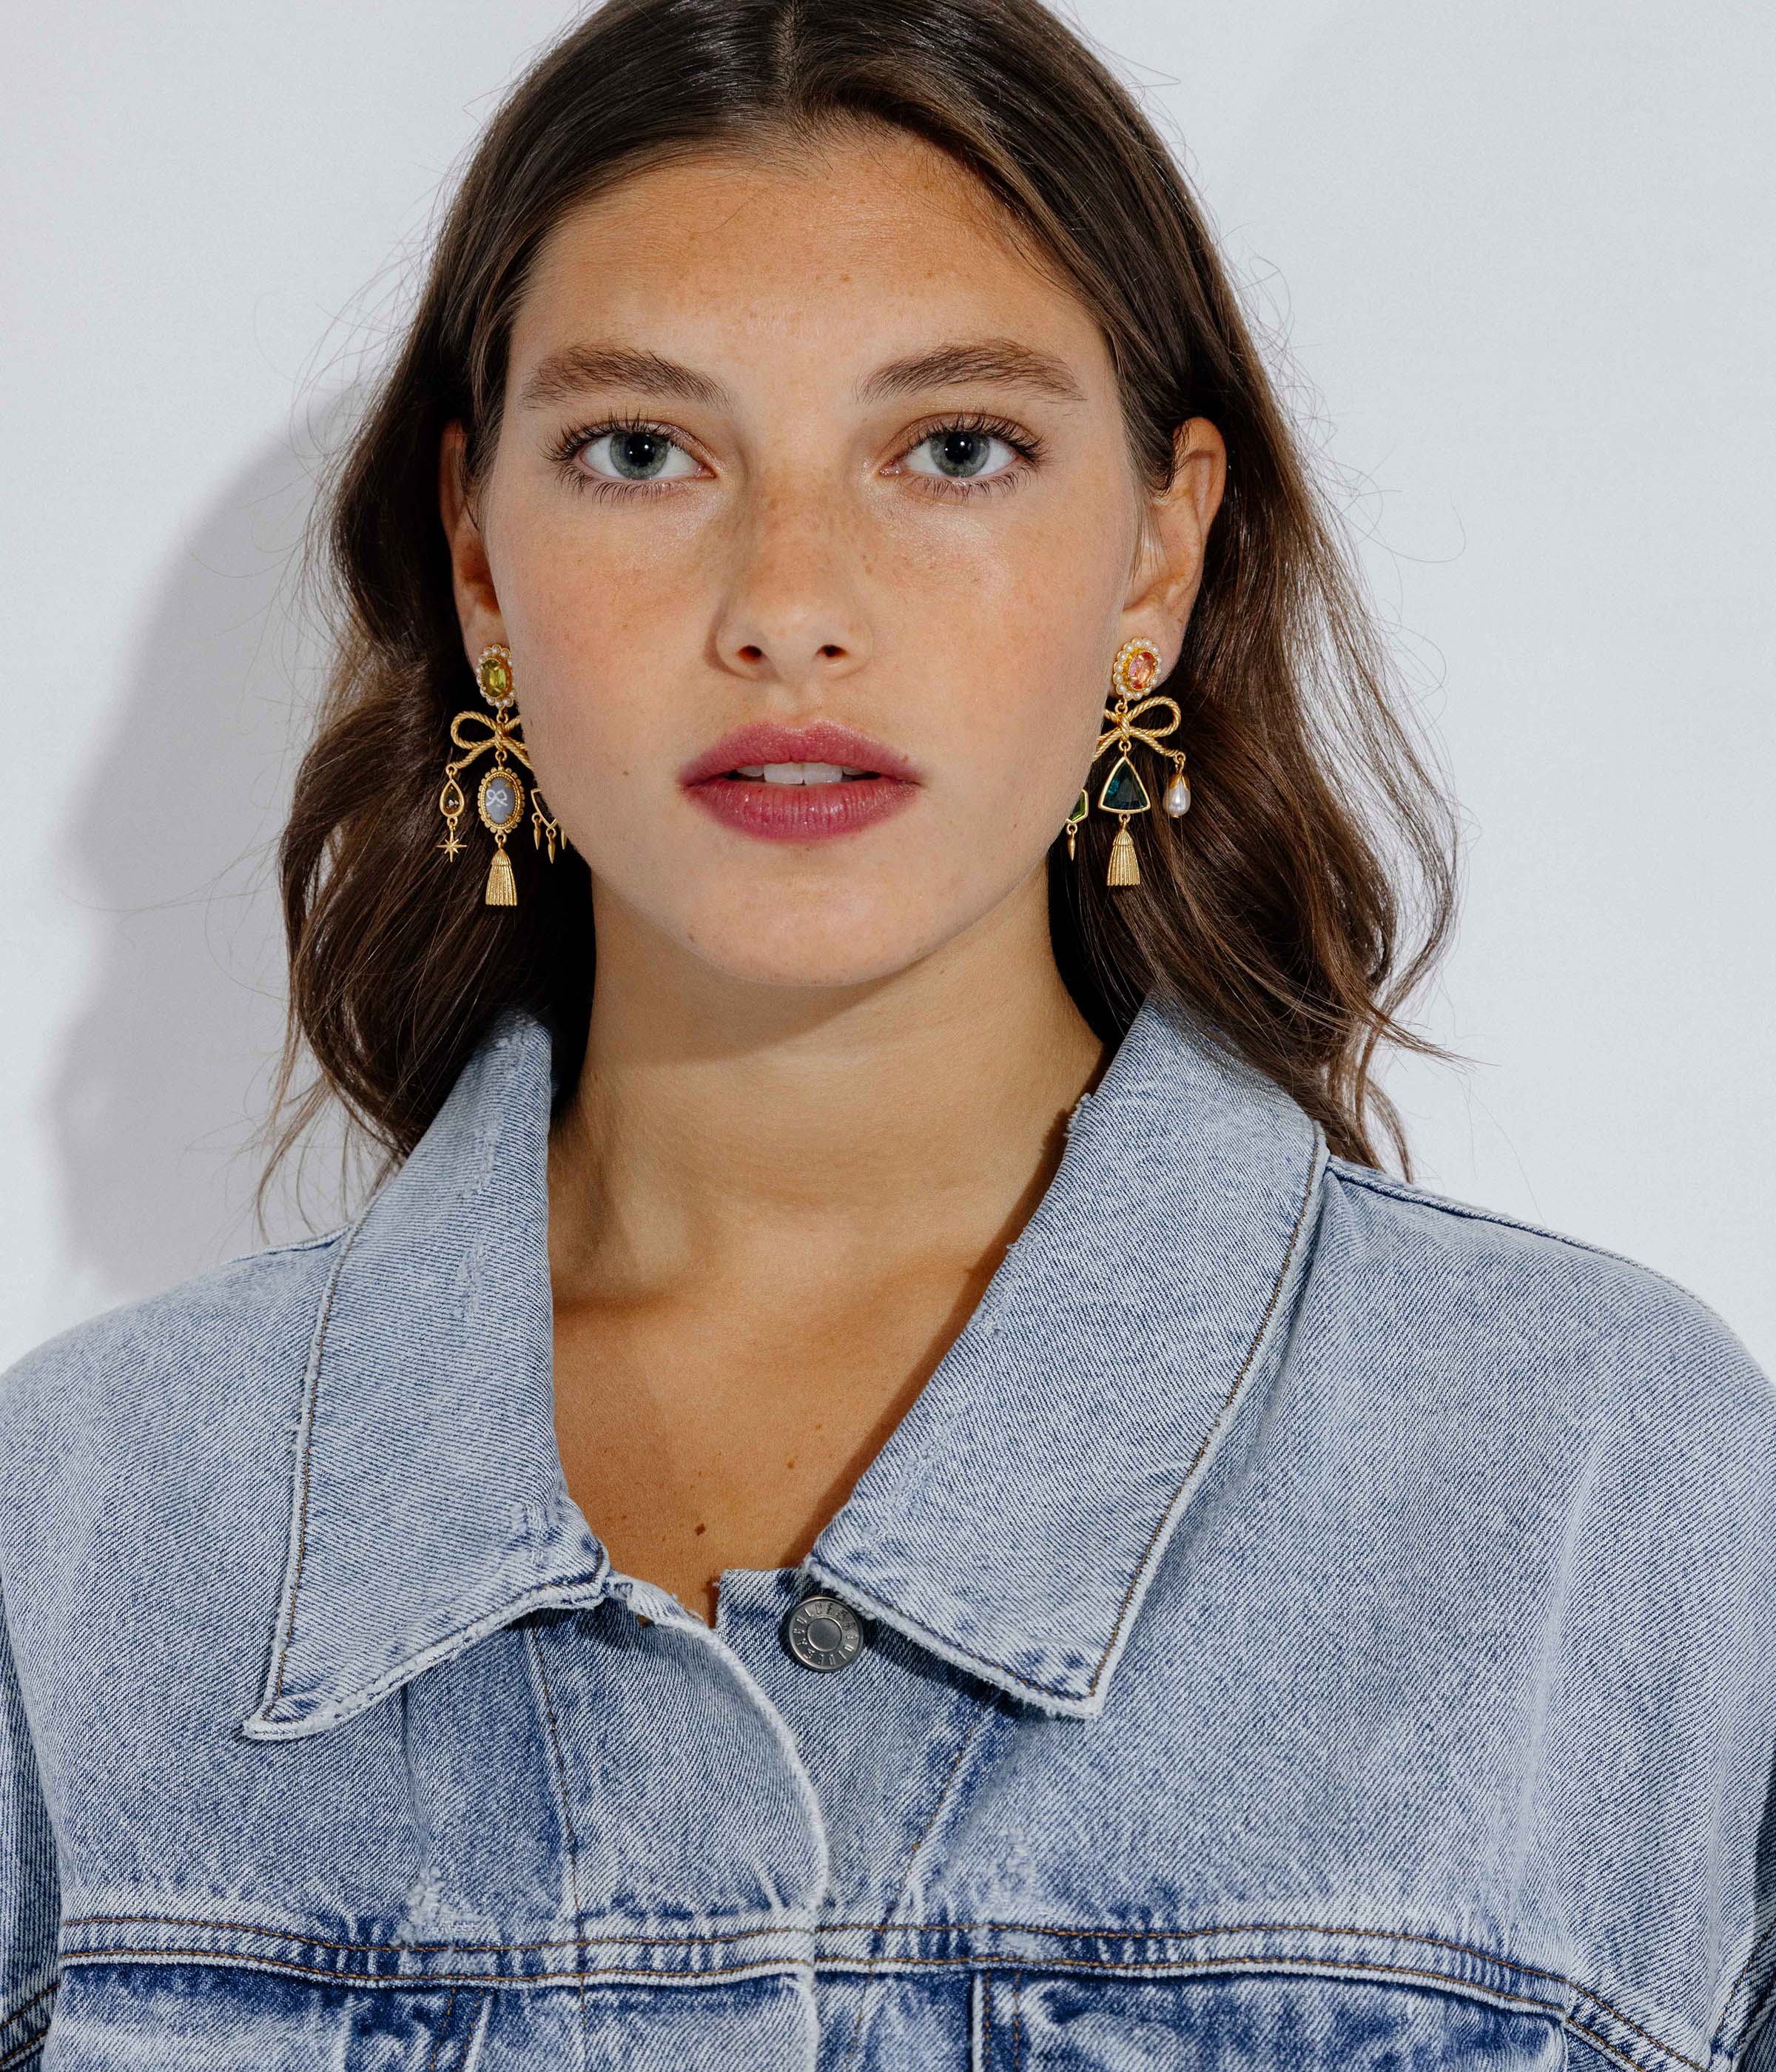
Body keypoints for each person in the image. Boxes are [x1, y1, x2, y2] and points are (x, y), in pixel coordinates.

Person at [3, 0, 1772, 2065]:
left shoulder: (1603, 1488)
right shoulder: (92, 1524)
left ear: (1161, 550)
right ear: (481, 557)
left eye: (953, 448)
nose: (791, 605)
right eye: (642, 450)